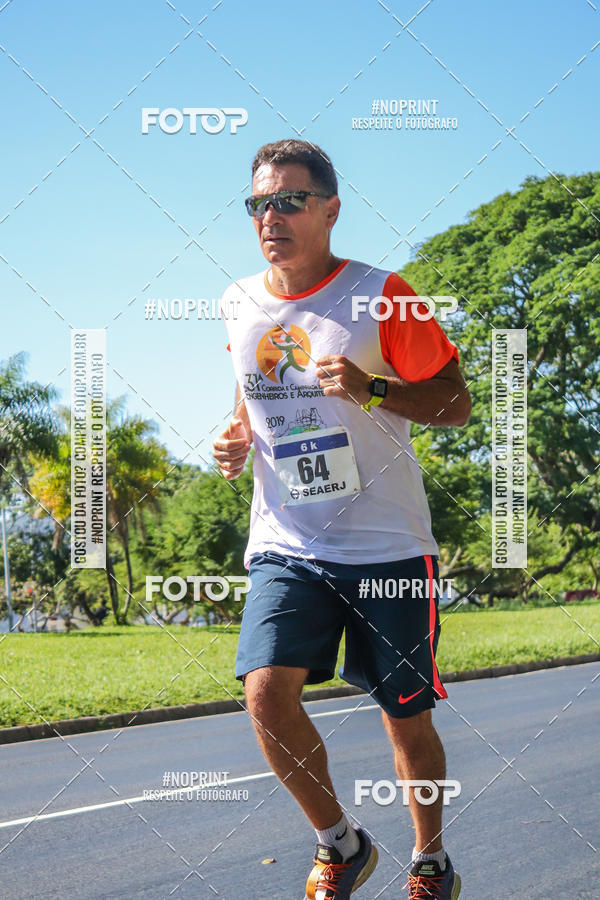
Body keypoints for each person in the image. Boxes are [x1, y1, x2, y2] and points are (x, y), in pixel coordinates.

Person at [213, 140, 470, 899]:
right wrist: (233, 438)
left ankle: (429, 860)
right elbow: (251, 402)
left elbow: (455, 404)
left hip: (387, 547)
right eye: (259, 202)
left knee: (405, 718)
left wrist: (375, 391)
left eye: (290, 200)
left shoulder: (381, 294)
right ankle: (340, 843)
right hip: (286, 542)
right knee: (264, 690)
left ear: (330, 209)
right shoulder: (238, 302)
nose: (272, 216)